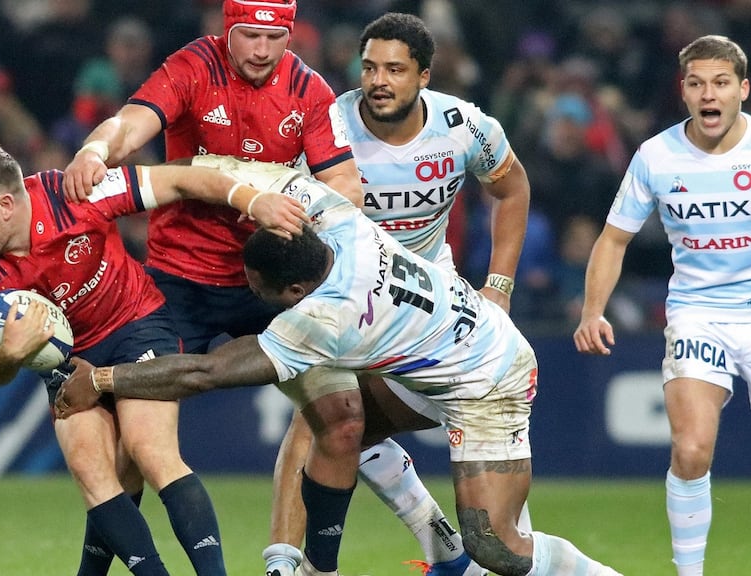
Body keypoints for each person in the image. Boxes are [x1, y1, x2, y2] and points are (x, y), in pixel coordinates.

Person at [55, 155, 623, 576]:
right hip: (446, 350)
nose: (261, 302)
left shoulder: (324, 319)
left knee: (494, 545)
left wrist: (102, 379)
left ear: (297, 289)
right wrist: (175, 176)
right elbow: (251, 172)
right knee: (337, 424)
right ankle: (322, 568)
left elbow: (204, 372)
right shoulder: (334, 218)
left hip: (491, 379)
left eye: (266, 294)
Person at [61, 3, 462, 575]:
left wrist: (303, 207)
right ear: (228, 29)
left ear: (290, 34)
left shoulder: (308, 89)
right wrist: (96, 150)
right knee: (135, 447)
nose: (260, 50)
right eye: (248, 35)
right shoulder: (194, 67)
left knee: (344, 418)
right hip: (181, 281)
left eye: (274, 38)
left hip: (275, 286)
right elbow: (133, 121)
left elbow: (345, 185)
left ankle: (318, 568)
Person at [0, 139, 305, 575]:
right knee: (94, 474)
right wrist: (8, 354)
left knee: (149, 451)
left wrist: (255, 199)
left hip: (136, 324)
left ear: (4, 205)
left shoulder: (73, 195)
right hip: (67, 358)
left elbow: (182, 178)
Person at [270, 12, 533, 576]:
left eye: (394, 69)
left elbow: (512, 189)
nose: (379, 80)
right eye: (369, 67)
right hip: (342, 295)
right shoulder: (325, 126)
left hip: (427, 296)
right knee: (326, 420)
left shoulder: (466, 128)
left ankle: (485, 549)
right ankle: (294, 564)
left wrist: (500, 285)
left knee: (484, 408)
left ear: (425, 78)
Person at [573, 35, 751, 576]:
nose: (709, 93)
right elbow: (613, 239)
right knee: (690, 450)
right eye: (697, 82)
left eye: (721, 82)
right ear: (683, 91)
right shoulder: (656, 157)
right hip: (698, 314)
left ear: (742, 90)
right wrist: (593, 310)